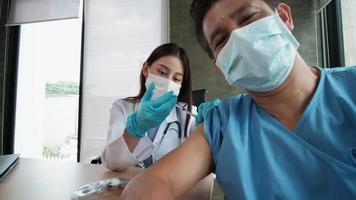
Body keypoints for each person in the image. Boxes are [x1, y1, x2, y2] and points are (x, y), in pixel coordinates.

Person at [120, 0, 356, 199]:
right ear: (220, 66)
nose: (241, 38)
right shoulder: (221, 125)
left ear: (284, 18)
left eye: (249, 18)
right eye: (222, 40)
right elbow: (154, 183)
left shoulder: (350, 88)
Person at [101, 43, 198, 170]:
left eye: (176, 79)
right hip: (128, 186)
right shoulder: (122, 107)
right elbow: (112, 163)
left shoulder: (189, 116)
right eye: (162, 72)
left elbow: (203, 168)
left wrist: (212, 128)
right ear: (146, 69)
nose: (168, 82)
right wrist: (137, 126)